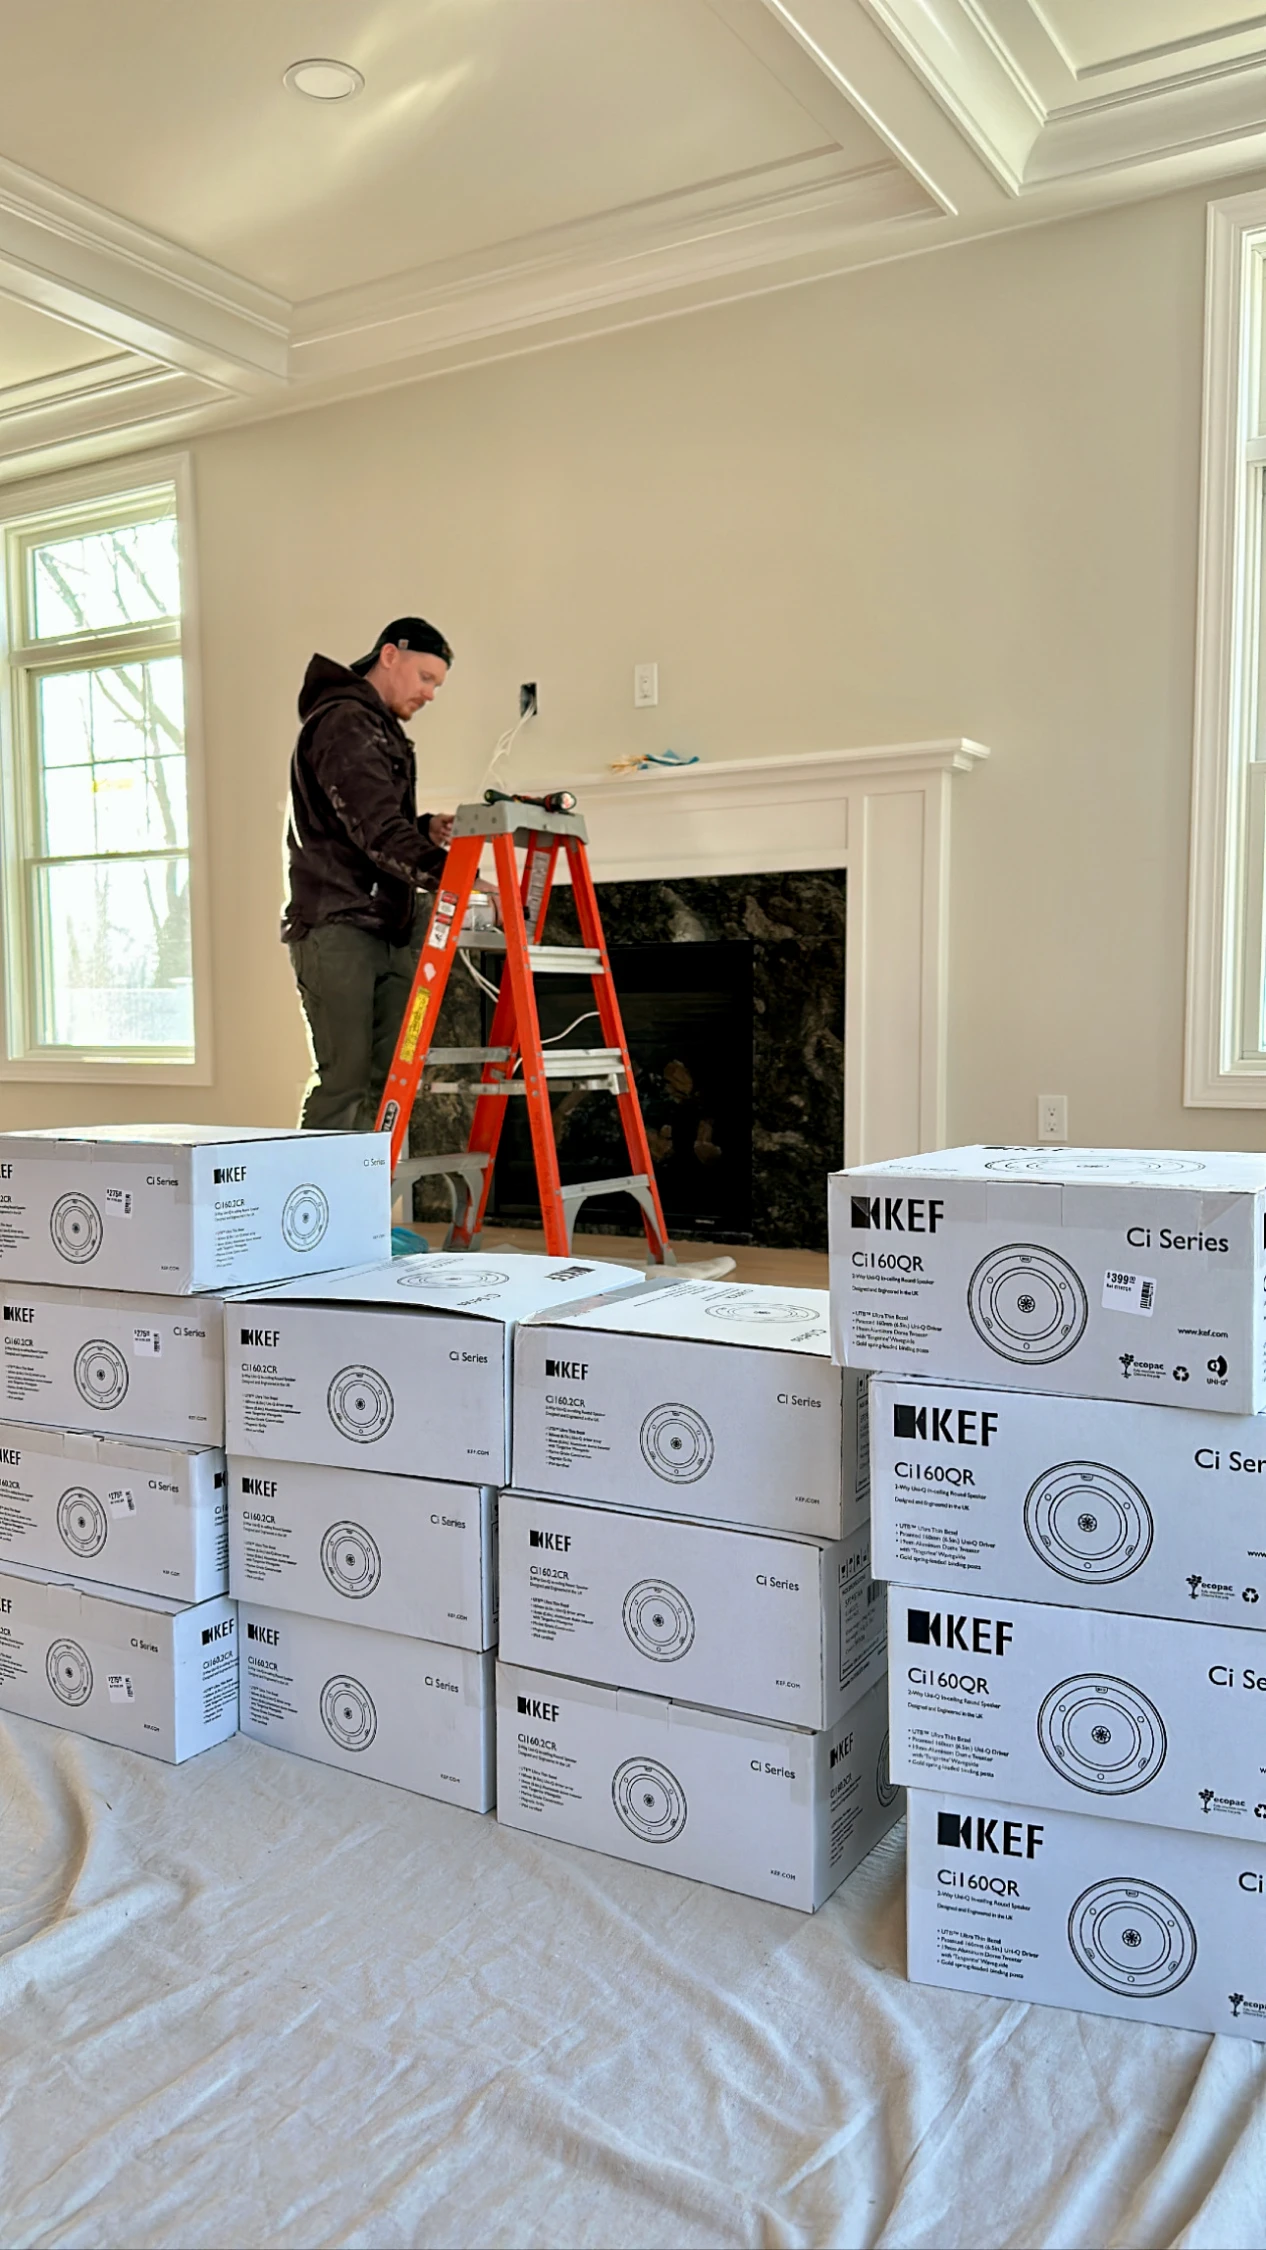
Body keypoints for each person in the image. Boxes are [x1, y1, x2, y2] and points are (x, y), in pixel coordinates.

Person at [282, 616, 455, 1129]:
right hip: (337, 927)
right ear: (390, 655)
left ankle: (361, 1209)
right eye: (425, 677)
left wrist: (421, 829)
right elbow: (376, 832)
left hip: (383, 927)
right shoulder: (344, 723)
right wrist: (451, 874)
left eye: (437, 685)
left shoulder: (376, 728)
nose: (430, 694)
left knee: (387, 1086)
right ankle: (306, 1209)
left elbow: (360, 822)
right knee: (345, 1086)